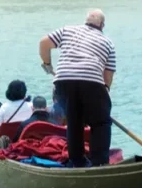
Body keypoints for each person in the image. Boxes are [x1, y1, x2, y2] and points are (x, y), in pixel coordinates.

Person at [39, 9, 116, 168]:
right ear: (102, 25)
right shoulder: (108, 42)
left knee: (74, 121)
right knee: (101, 122)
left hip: (63, 82)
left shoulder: (67, 30)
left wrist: (47, 64)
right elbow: (108, 75)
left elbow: (43, 43)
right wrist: (104, 93)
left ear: (86, 21)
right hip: (92, 83)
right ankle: (100, 163)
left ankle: (77, 161)